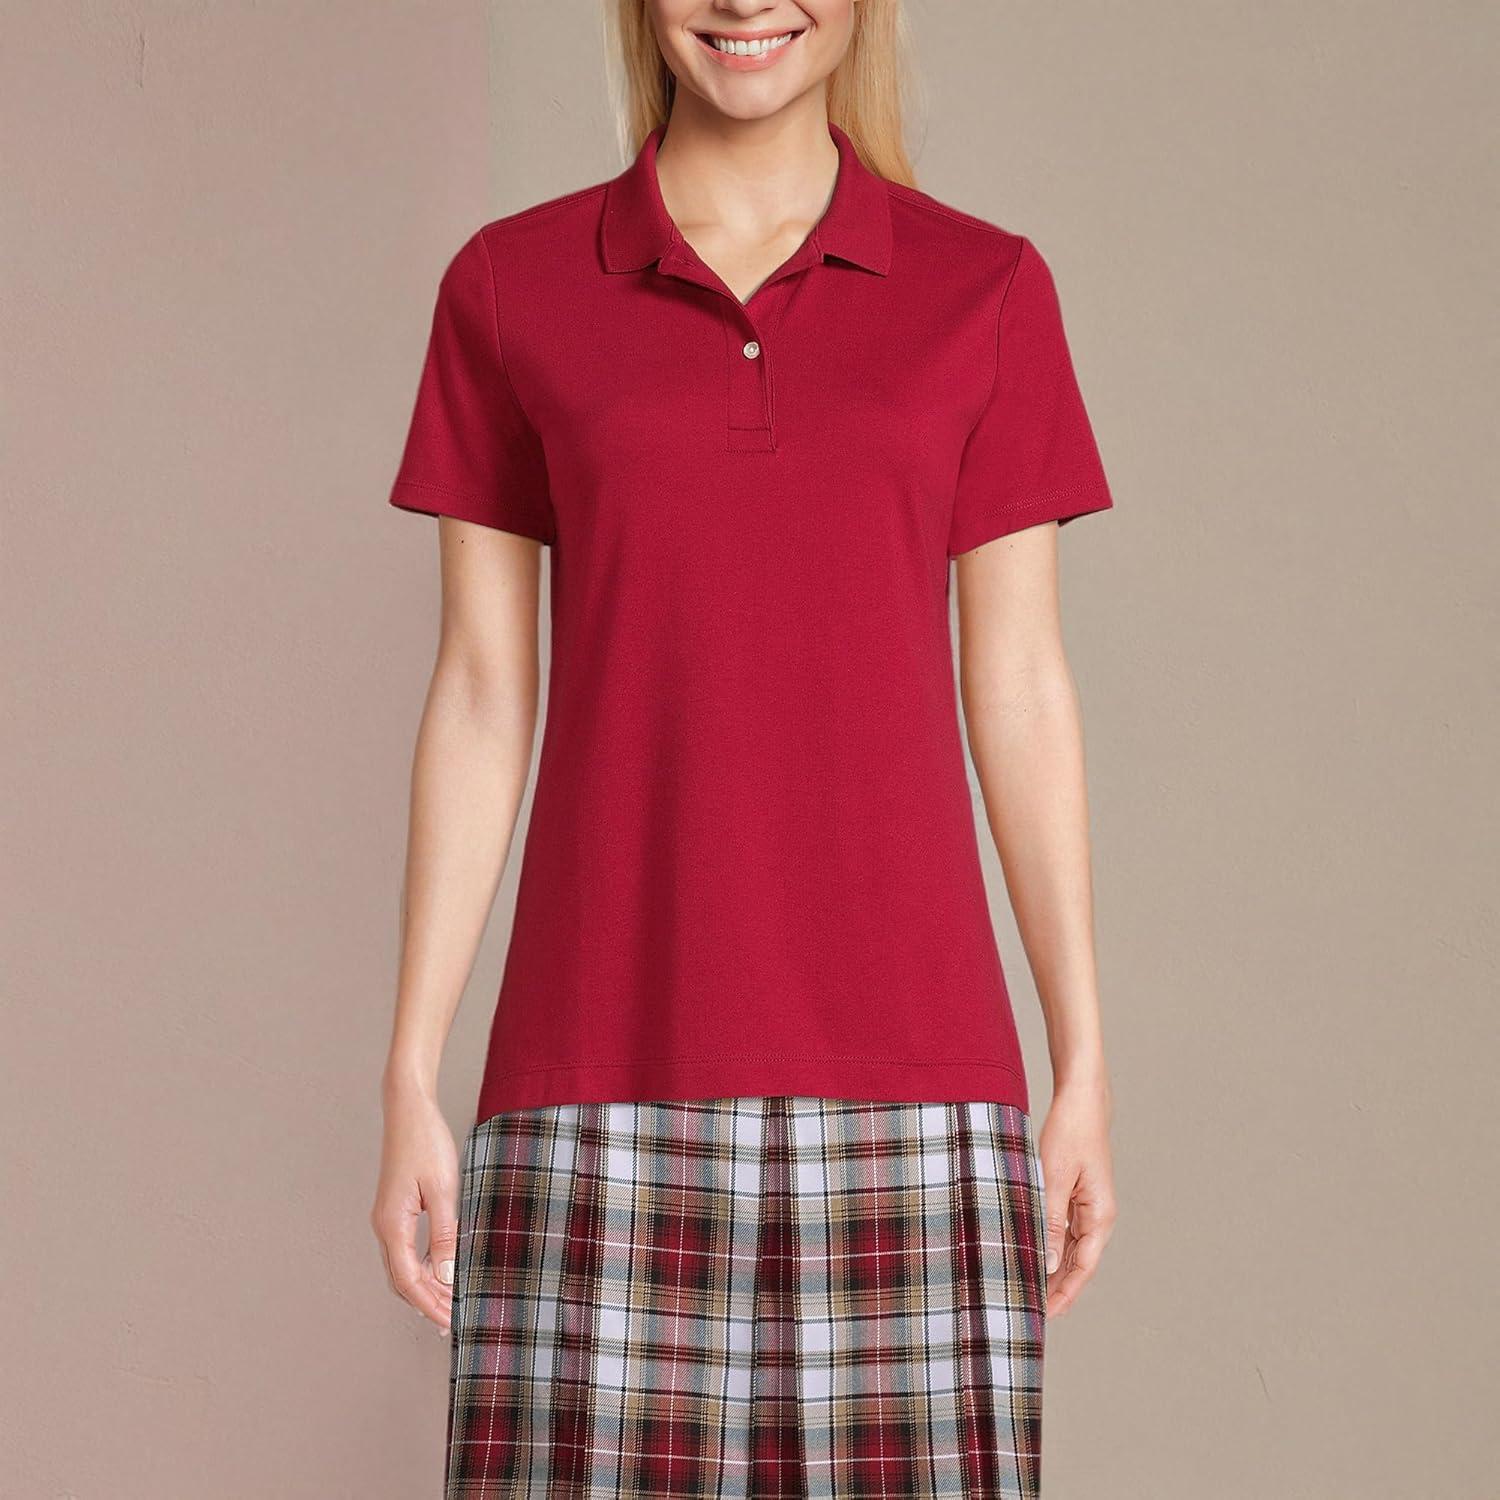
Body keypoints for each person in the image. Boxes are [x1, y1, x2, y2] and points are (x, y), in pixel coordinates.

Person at [371, 2, 1119, 1495]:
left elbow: (1024, 687)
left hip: (918, 1091)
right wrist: (409, 1072)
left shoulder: (985, 289)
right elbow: (480, 694)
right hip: (592, 1082)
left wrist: (1082, 1055)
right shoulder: (511, 286)